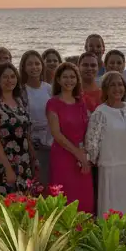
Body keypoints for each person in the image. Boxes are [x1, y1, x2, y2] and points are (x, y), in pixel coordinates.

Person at [86, 72, 126, 219]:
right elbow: (92, 141)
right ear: (105, 89)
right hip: (111, 165)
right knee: (114, 204)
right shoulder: (100, 112)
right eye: (112, 85)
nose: (117, 88)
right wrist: (93, 160)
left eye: (120, 84)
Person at [47, 62, 93, 213]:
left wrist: (85, 153)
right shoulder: (53, 103)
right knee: (66, 198)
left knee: (84, 197)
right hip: (63, 156)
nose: (69, 80)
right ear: (58, 80)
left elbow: (87, 129)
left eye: (73, 77)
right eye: (65, 77)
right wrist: (77, 153)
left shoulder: (81, 102)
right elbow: (57, 134)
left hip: (81, 155)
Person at [0, 62, 37, 194]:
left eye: (13, 76)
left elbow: (26, 133)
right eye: (5, 77)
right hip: (4, 162)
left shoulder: (20, 102)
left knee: (26, 205)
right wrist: (7, 168)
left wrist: (33, 157)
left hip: (23, 161)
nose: (10, 80)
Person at [20, 50, 52, 189]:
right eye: (30, 64)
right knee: (35, 182)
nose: (34, 67)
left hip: (50, 142)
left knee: (49, 180)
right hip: (31, 143)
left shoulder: (49, 88)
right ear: (24, 68)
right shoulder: (21, 91)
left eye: (37, 64)